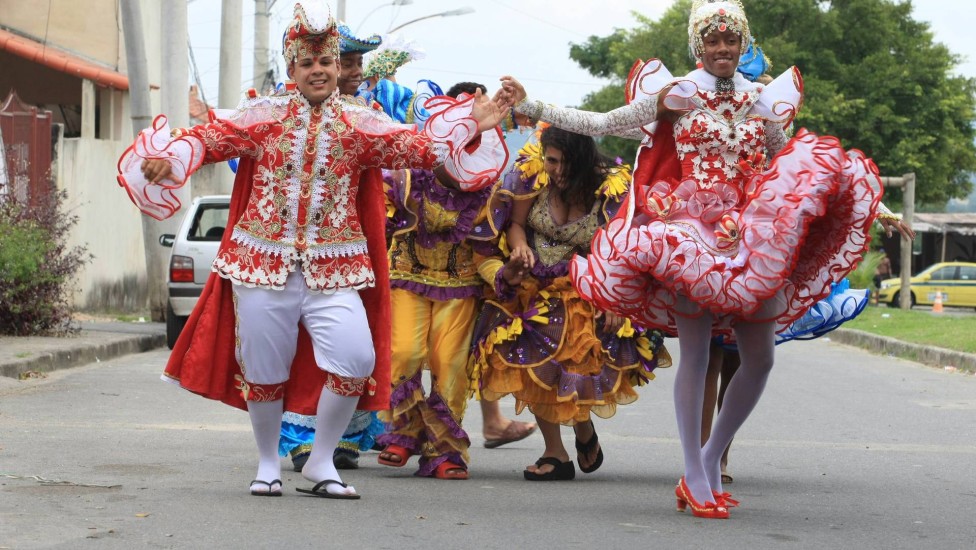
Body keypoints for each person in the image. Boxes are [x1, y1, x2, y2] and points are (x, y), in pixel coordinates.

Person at [498, 0, 901, 517]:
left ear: (742, 43)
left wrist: (877, 207)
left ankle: (709, 460)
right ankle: (693, 472)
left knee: (760, 358)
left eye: (730, 40)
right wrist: (537, 104)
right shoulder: (678, 93)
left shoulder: (759, 99)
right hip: (689, 236)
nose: (722, 49)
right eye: (712, 41)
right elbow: (601, 120)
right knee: (698, 355)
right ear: (698, 46)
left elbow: (793, 164)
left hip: (749, 238)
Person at [117, 1, 510, 499]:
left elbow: (421, 149)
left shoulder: (359, 122)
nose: (319, 71)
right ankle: (266, 464)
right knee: (264, 369)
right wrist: (168, 160)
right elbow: (208, 138)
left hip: (334, 266)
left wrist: (474, 122)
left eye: (326, 62)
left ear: (335, 66)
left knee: (355, 358)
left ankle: (321, 461)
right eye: (308, 63)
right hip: (261, 262)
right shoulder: (263, 117)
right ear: (293, 69)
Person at [470, 126, 671, 481]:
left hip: (587, 281)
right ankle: (555, 453)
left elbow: (620, 248)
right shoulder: (530, 173)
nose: (553, 169)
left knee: (574, 357)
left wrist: (613, 299)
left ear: (581, 161)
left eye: (561, 162)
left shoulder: (612, 189)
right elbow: (514, 223)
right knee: (531, 357)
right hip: (532, 282)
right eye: (549, 159)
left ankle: (582, 430)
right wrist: (519, 247)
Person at [375, 81, 535, 480]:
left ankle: (445, 451)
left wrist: (505, 272)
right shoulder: (404, 180)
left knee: (450, 365)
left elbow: (484, 256)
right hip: (405, 278)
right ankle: (404, 431)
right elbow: (375, 226)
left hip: (459, 288)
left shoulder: (486, 196)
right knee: (405, 353)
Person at [277, 20, 387, 473]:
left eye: (353, 62)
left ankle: (346, 436)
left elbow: (411, 152)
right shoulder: (275, 113)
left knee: (356, 343)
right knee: (300, 345)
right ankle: (299, 438)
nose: (354, 70)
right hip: (289, 250)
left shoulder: (367, 115)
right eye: (347, 62)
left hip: (352, 246)